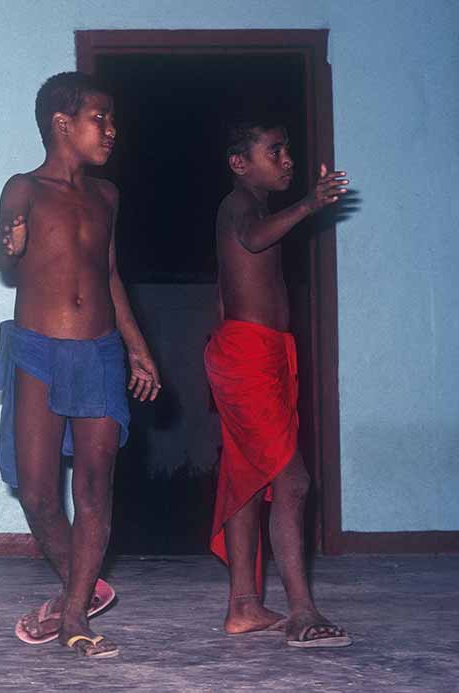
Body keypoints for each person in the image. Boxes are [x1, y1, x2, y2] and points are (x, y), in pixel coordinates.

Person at [0, 73, 160, 659]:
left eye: (112, 119)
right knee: (37, 491)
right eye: (100, 118)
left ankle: (74, 616)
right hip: (38, 348)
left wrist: (137, 347)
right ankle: (77, 594)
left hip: (100, 351)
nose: (112, 130)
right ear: (62, 125)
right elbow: (0, 254)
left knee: (93, 489)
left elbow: (110, 276)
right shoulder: (24, 189)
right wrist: (7, 246)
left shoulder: (106, 196)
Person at [205, 119, 352, 648]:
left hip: (252, 353)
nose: (287, 158)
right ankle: (302, 612)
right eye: (275, 150)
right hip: (247, 354)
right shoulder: (239, 205)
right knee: (292, 481)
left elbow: (229, 282)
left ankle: (244, 606)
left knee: (248, 479)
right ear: (240, 164)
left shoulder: (253, 205)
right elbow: (251, 238)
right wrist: (310, 205)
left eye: (287, 149)